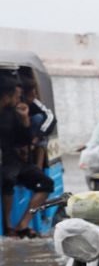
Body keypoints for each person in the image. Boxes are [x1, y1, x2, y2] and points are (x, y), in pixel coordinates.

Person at [1, 77, 53, 237]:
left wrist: (25, 119)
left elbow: (24, 140)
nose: (19, 99)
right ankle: (8, 227)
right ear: (6, 95)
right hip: (5, 165)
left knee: (46, 183)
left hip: (12, 161)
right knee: (7, 178)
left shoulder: (13, 113)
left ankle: (22, 224)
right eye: (16, 95)